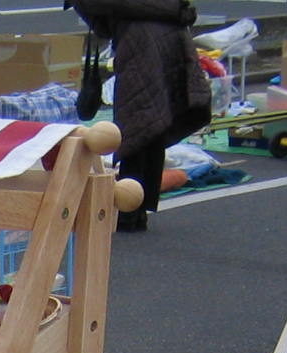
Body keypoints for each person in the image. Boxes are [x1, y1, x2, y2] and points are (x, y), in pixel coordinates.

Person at [67, 0, 212, 231]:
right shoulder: (163, 8)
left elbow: (102, 18)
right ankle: (139, 208)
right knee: (153, 125)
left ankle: (127, 210)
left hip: (141, 47)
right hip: (168, 41)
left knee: (137, 126)